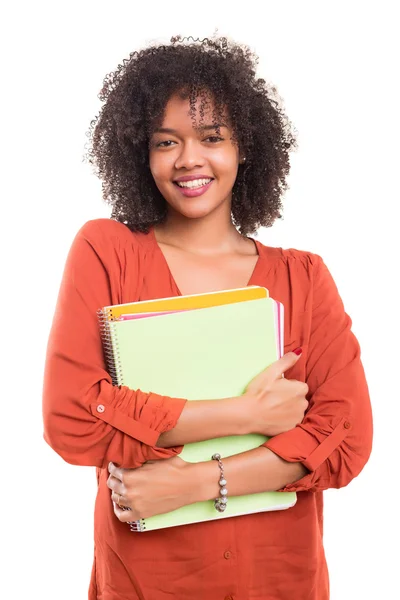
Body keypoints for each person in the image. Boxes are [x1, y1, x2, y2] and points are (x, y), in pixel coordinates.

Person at [42, 35, 373, 600]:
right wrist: (248, 413)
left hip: (277, 579)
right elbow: (73, 416)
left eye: (212, 138)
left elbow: (344, 439)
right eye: (166, 141)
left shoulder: (304, 276)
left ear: (246, 148)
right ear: (140, 153)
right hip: (149, 581)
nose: (189, 159)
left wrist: (194, 482)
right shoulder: (107, 252)